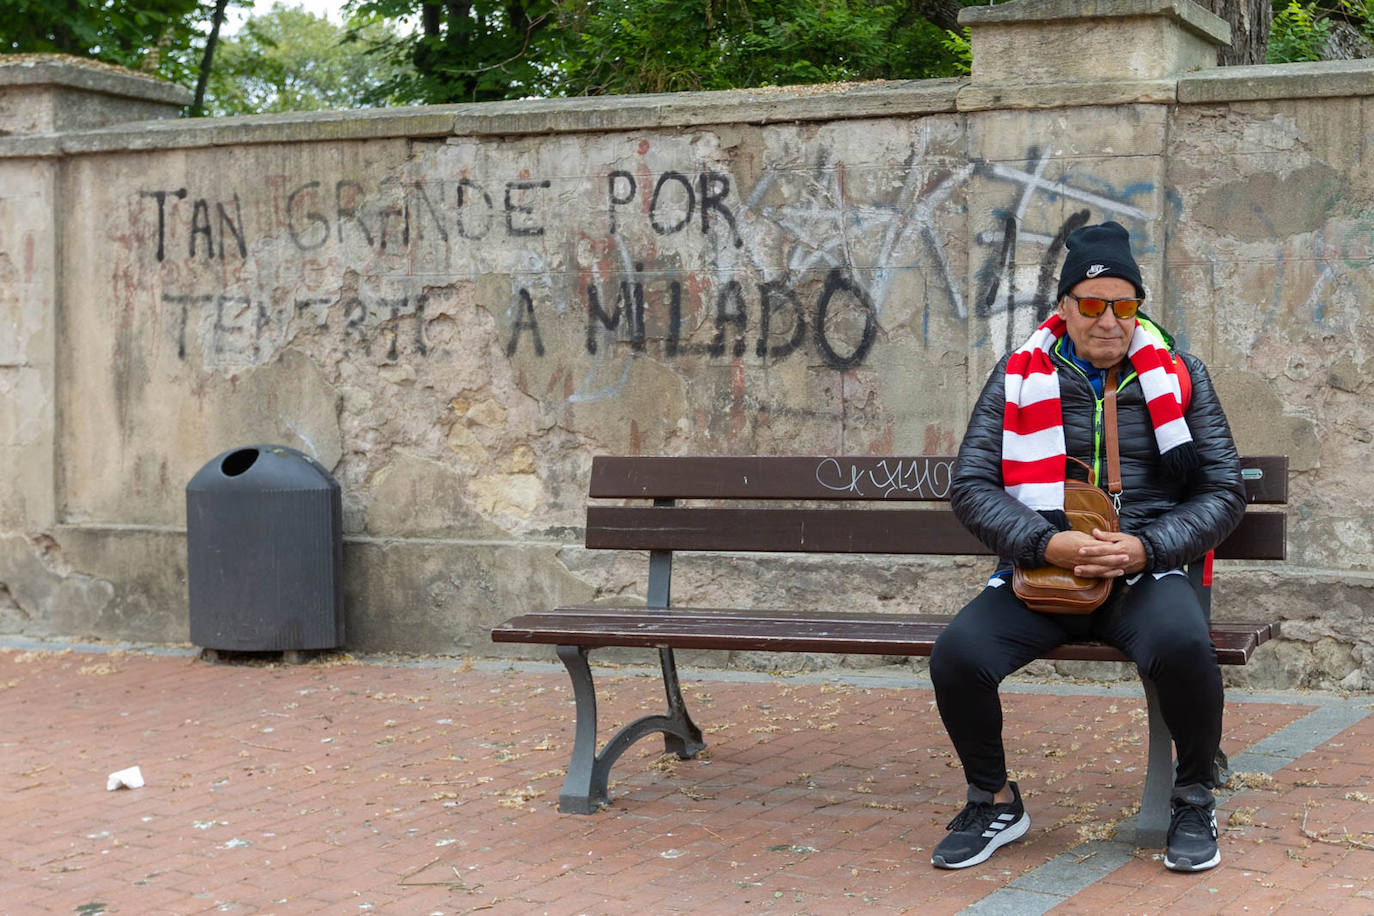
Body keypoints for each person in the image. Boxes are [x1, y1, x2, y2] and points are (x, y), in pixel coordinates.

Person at [928, 221, 1246, 872]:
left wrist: (1146, 548)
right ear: (1065, 307)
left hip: (1143, 572)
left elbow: (1223, 490)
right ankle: (992, 800)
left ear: (1138, 309)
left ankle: (1192, 795)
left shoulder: (1181, 376)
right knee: (958, 656)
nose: (1110, 321)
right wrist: (1048, 542)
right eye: (1093, 305)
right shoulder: (1018, 376)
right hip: (1044, 571)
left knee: (1185, 646)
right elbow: (971, 485)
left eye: (1124, 306)